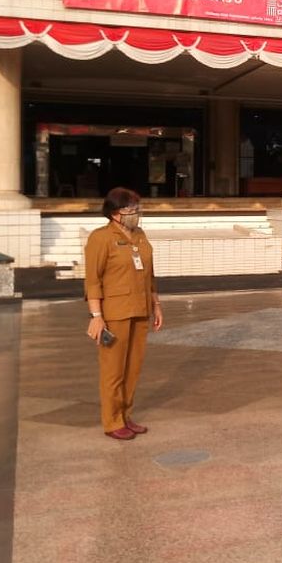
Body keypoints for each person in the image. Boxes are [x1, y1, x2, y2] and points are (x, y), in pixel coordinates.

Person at [84, 187, 163, 441]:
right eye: (130, 209)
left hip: (140, 310)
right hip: (114, 314)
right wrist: (96, 315)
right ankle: (112, 421)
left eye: (137, 209)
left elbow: (149, 273)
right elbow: (93, 280)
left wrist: (156, 304)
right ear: (115, 213)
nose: (135, 214)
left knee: (133, 368)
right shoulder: (101, 238)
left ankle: (126, 415)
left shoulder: (139, 235)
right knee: (113, 370)